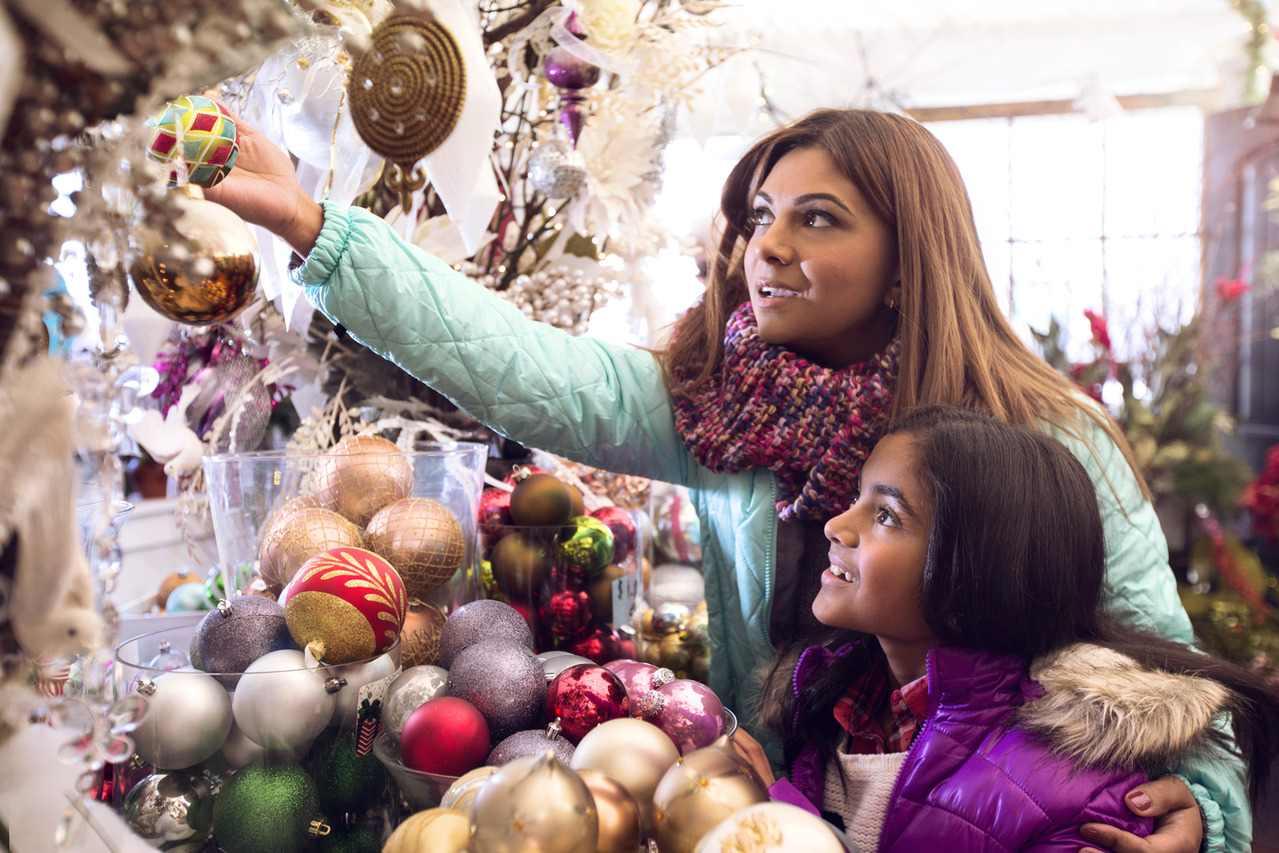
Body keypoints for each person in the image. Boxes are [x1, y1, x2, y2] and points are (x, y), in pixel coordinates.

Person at [205, 105, 1247, 850]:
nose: (766, 247)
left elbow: (1163, 673)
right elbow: (524, 369)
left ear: (908, 253)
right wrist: (312, 225)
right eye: (758, 216)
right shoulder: (718, 403)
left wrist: (1201, 807)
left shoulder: (1046, 439)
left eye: (817, 218)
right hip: (781, 812)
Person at [730, 405, 1279, 853]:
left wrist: (782, 822)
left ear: (974, 573)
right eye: (858, 499)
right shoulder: (838, 703)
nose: (835, 524)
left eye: (886, 516)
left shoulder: (1076, 798)